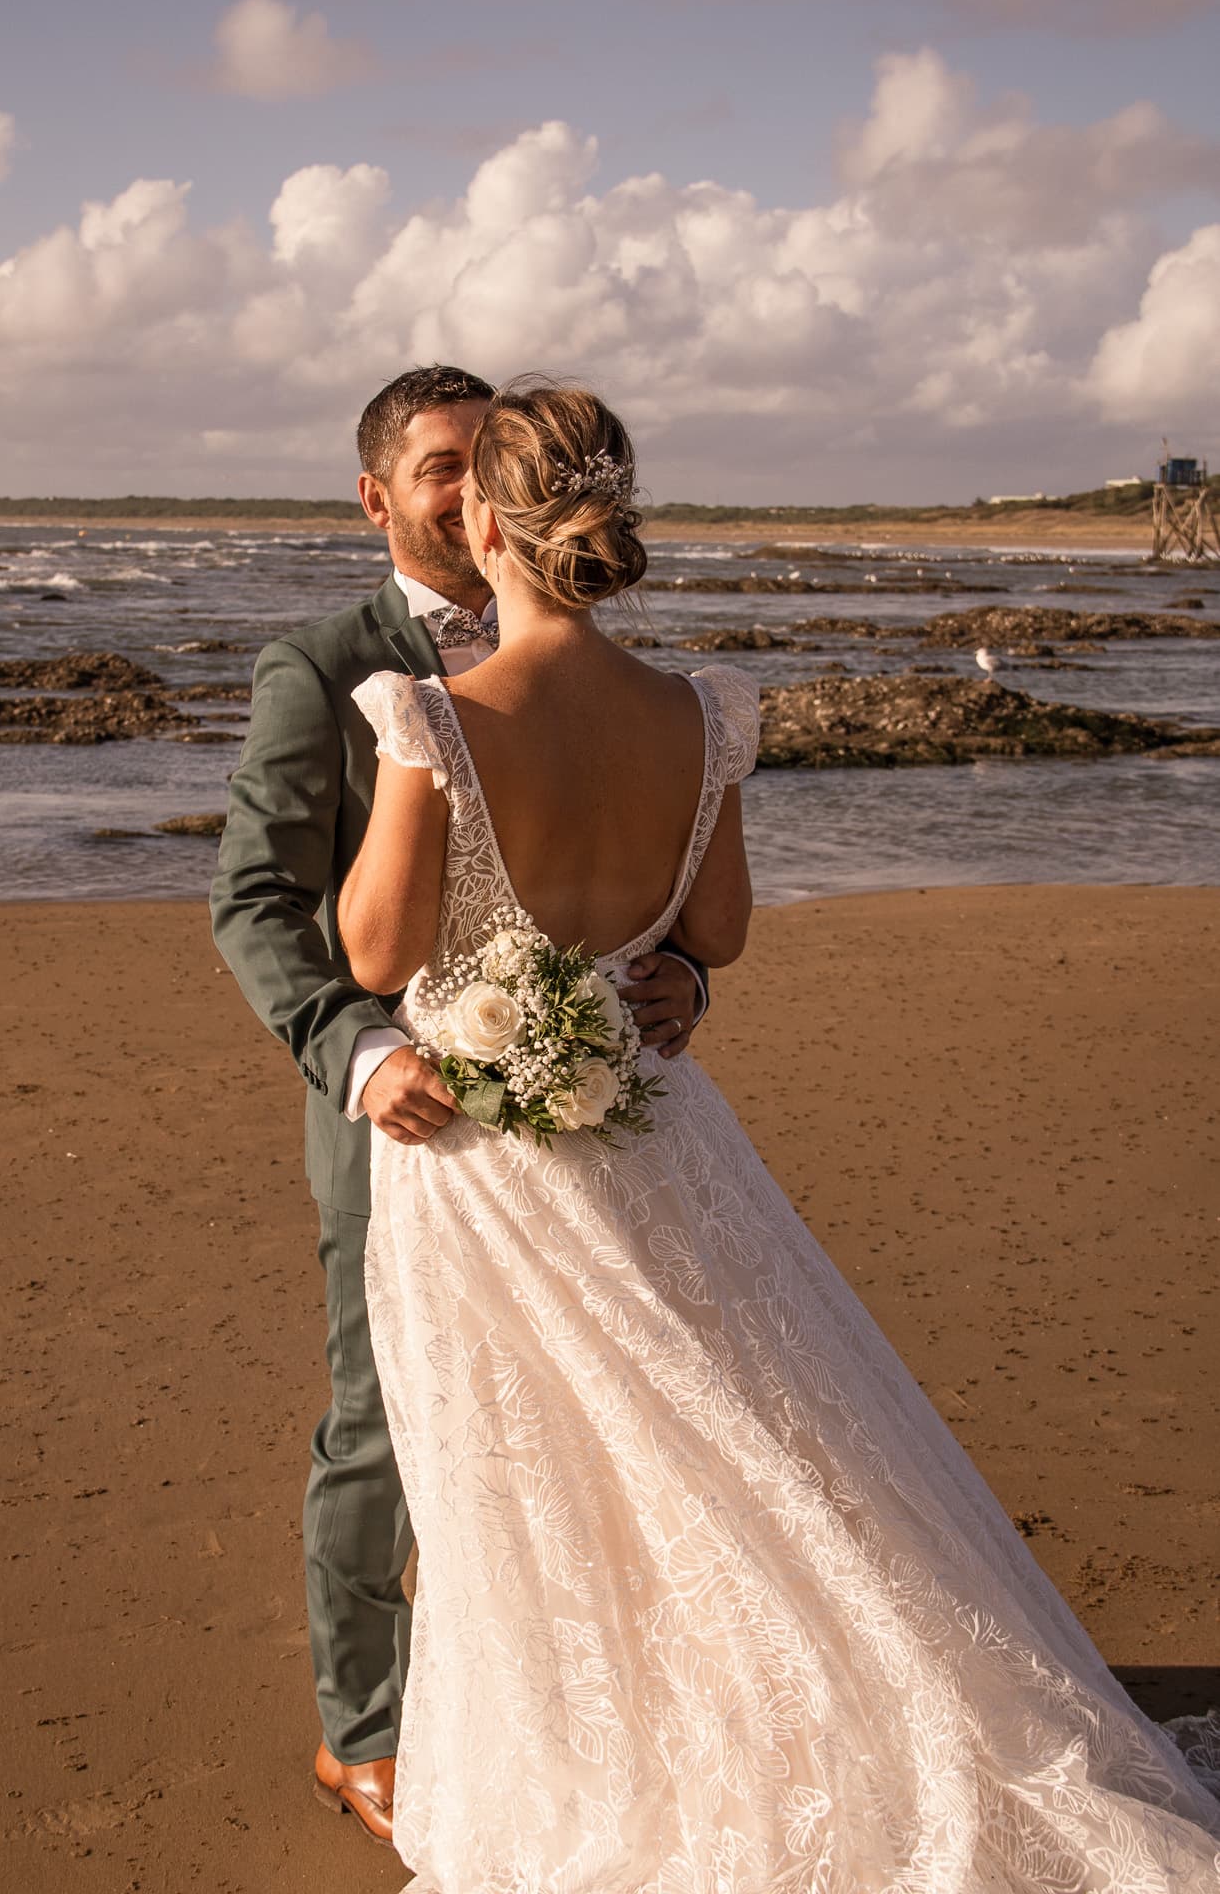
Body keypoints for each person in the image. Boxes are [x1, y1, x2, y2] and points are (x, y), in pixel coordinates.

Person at [336, 379, 1220, 1893]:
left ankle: (620, 1764)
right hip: (661, 1132)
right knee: (748, 1430)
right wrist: (642, 964)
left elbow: (370, 951)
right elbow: (717, 931)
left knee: (540, 1479)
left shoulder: (434, 718)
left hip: (487, 1175)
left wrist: (435, 863)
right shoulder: (698, 712)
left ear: (481, 522)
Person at [209, 365, 705, 1847]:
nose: (466, 487)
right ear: (378, 498)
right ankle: (363, 1731)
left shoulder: (577, 658)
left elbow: (645, 876)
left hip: (590, 1113)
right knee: (386, 1420)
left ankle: (566, 1710)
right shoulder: (322, 670)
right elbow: (253, 903)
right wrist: (359, 1052)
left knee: (584, 1416)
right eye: (438, 465)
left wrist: (671, 969)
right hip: (405, 1115)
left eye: (482, 460)